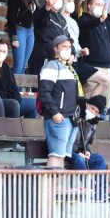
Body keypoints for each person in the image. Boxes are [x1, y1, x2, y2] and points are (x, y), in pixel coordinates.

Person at [37, 35, 84, 168]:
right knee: (55, 155)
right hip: (59, 117)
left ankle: (57, 182)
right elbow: (44, 92)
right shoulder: (52, 65)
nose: (67, 49)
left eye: (69, 47)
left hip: (71, 117)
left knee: (61, 156)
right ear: (56, 49)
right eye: (64, 47)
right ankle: (49, 182)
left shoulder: (69, 67)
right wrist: (54, 112)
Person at [67, 95, 108, 198]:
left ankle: (101, 193)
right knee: (79, 159)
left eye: (96, 112)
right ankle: (90, 188)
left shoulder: (92, 123)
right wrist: (78, 153)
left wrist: (88, 151)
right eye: (92, 108)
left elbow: (89, 141)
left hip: (80, 152)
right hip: (67, 150)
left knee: (99, 159)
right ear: (87, 104)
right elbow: (67, 139)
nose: (93, 112)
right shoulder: (75, 114)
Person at [0, 40, 37, 118]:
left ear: (7, 53)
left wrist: (17, 101)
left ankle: (27, 126)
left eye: (4, 51)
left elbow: (14, 89)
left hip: (12, 102)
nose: (1, 54)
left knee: (34, 104)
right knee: (13, 105)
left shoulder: (6, 68)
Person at [6, 0, 37, 74]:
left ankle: (19, 84)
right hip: (19, 29)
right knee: (19, 63)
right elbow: (11, 15)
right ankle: (14, 85)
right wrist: (14, 35)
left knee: (24, 63)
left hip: (30, 29)